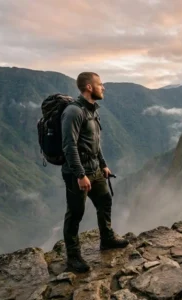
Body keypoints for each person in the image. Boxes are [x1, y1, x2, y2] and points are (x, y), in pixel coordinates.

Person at [60, 71, 129, 273]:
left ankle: (107, 239)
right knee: (75, 214)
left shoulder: (92, 110)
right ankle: (73, 258)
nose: (103, 87)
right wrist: (80, 175)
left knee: (105, 200)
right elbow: (69, 146)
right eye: (100, 84)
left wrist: (104, 164)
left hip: (95, 169)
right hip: (77, 173)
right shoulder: (74, 112)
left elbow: (94, 143)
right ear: (89, 87)